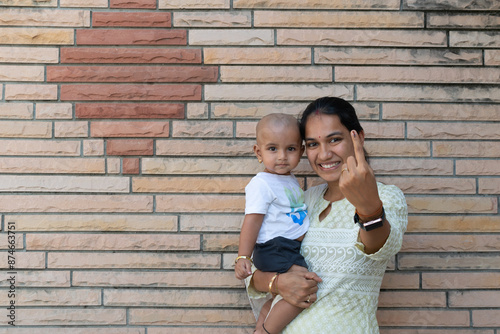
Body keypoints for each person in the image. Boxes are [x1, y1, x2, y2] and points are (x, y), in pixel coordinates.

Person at [245, 97, 408, 333]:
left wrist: (369, 209)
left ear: (358, 137)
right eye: (312, 144)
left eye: (334, 140)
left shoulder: (386, 197)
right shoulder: (303, 199)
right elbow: (253, 272)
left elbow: (381, 245)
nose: (323, 154)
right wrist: (277, 283)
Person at [235, 113, 310, 334]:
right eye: (272, 149)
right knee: (304, 289)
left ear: (301, 151)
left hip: (287, 248)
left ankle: (261, 325)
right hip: (276, 248)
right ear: (258, 152)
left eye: (291, 149)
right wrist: (243, 257)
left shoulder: (288, 178)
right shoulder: (261, 184)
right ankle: (267, 332)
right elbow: (251, 222)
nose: (282, 157)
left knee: (282, 296)